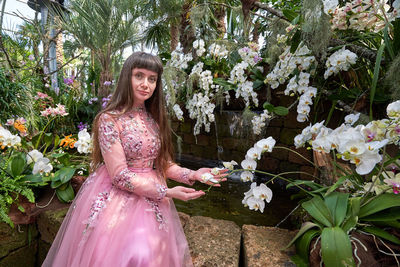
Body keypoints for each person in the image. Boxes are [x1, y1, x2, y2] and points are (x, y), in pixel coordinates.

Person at [42, 52, 227, 267]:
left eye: (152, 79)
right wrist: (166, 192)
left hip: (153, 201)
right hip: (118, 199)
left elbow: (164, 165)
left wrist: (194, 174)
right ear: (126, 78)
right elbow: (120, 176)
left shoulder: (153, 119)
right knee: (136, 256)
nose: (145, 84)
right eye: (139, 75)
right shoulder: (109, 119)